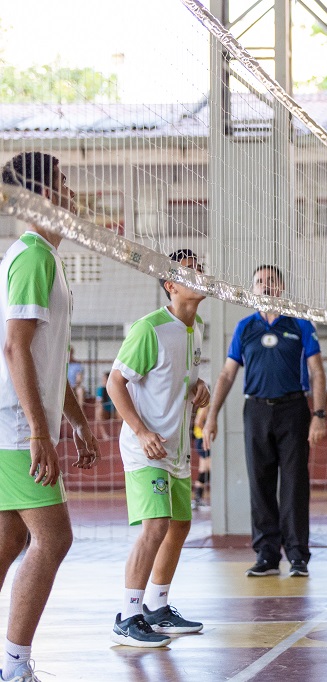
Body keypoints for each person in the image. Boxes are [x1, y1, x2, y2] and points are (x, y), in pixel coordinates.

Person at [0, 152, 99, 682]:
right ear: (40, 195)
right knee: (54, 539)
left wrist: (79, 422)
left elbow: (47, 358)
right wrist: (40, 431)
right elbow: (15, 348)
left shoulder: (46, 258)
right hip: (13, 425)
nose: (70, 190)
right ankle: (15, 668)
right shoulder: (33, 255)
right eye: (61, 181)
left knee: (11, 540)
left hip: (18, 422)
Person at [107, 249, 209, 647]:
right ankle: (128, 616)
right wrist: (141, 431)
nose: (198, 273)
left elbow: (184, 383)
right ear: (170, 285)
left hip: (176, 448)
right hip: (145, 448)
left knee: (180, 526)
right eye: (189, 271)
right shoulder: (150, 328)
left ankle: (157, 606)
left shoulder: (195, 328)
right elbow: (116, 381)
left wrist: (198, 389)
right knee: (156, 527)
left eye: (199, 267)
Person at [202, 265, 327, 578]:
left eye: (271, 280)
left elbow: (317, 371)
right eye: (259, 281)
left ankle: (297, 555)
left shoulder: (300, 323)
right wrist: (212, 415)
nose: (265, 285)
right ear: (252, 289)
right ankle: (267, 556)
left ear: (281, 287)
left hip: (294, 409)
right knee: (260, 484)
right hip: (256, 411)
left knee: (294, 484)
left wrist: (320, 415)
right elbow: (227, 374)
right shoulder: (245, 328)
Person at [192, 405, 210, 509]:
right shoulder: (206, 405)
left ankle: (198, 498)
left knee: (204, 469)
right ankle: (198, 498)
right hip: (203, 440)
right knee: (208, 469)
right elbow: (198, 422)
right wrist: (207, 432)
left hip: (202, 440)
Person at [94, 371, 117, 440]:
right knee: (99, 410)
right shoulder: (101, 389)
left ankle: (119, 434)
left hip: (115, 411)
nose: (103, 381)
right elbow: (98, 402)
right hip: (106, 411)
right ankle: (105, 435)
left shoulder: (115, 388)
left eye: (104, 379)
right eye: (103, 380)